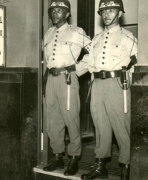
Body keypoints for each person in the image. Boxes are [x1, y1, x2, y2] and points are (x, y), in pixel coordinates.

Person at [79, 0, 138, 180]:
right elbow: (87, 63)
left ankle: (126, 166)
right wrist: (67, 70)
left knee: (122, 126)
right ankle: (100, 165)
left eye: (111, 10)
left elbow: (137, 63)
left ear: (119, 14)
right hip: (96, 84)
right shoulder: (96, 39)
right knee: (100, 126)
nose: (106, 14)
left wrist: (128, 82)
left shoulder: (128, 38)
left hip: (117, 84)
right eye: (104, 11)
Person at [43, 0, 91, 176]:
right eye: (53, 10)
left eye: (60, 10)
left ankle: (74, 157)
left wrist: (77, 68)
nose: (55, 13)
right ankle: (57, 156)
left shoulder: (77, 32)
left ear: (68, 13)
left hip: (68, 79)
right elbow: (48, 60)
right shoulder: (48, 34)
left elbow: (94, 51)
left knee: (71, 118)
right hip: (51, 79)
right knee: (53, 120)